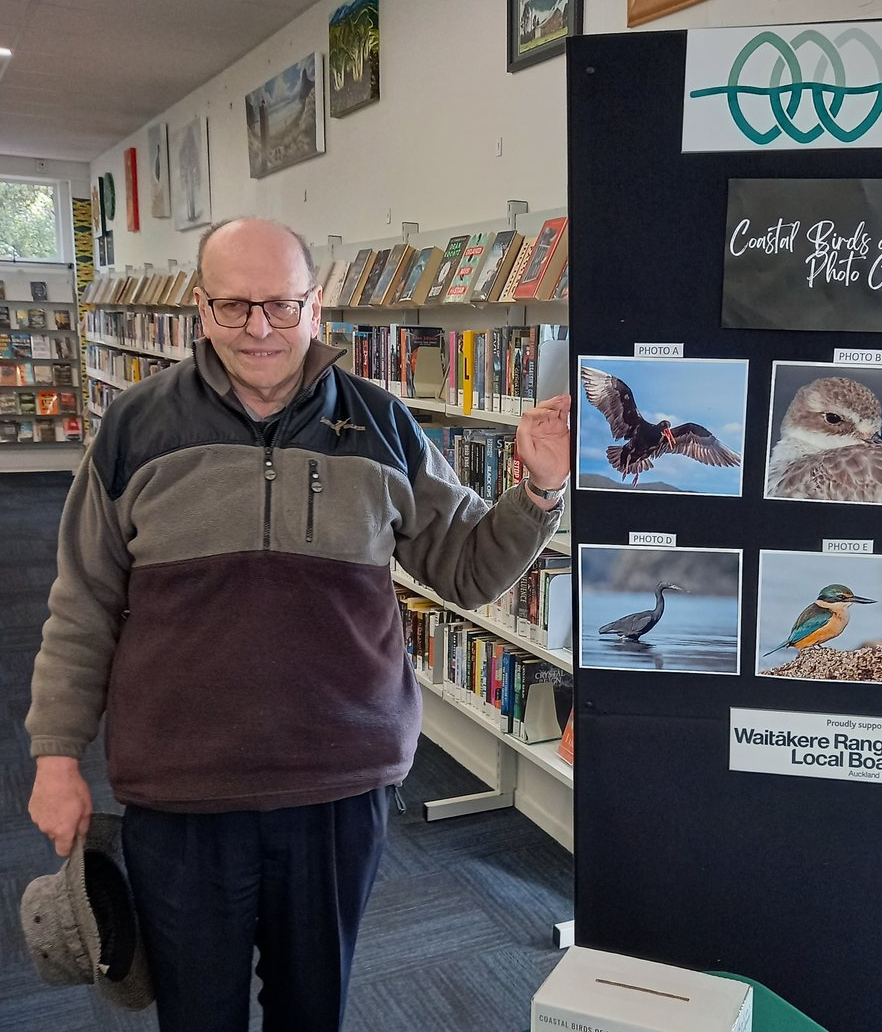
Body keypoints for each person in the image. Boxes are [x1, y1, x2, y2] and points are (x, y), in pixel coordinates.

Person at [26, 216, 572, 1032]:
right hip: (182, 786)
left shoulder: (385, 424)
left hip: (338, 784)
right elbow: (83, 603)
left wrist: (537, 493)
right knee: (196, 1011)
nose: (258, 329)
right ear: (198, 310)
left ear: (316, 307)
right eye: (233, 306)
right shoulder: (135, 428)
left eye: (280, 305)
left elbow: (466, 568)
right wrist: (55, 757)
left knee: (312, 1007)